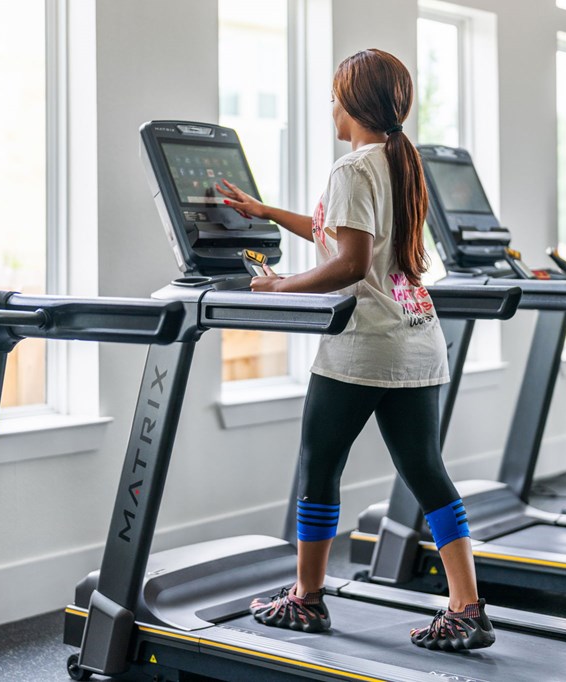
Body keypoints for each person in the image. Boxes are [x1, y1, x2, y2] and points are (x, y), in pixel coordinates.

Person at [216, 48, 495, 652]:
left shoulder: (351, 168)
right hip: (416, 338)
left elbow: (349, 263)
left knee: (319, 466)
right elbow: (342, 234)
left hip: (362, 345)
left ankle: (307, 597)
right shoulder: (399, 160)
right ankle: (467, 607)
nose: (330, 108)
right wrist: (265, 212)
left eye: (334, 97)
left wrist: (278, 287)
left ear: (353, 104)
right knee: (426, 471)